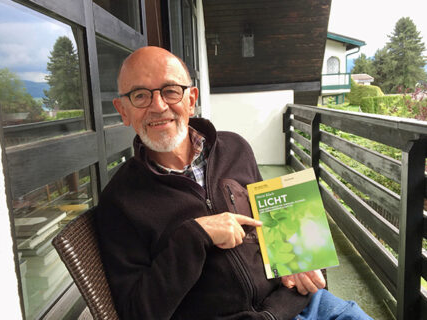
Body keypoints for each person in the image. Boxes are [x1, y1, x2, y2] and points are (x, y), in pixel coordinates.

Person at [95, 46, 373, 320]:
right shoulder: (119, 201)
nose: (158, 106)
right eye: (140, 95)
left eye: (170, 91)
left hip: (300, 304)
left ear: (191, 99)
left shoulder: (235, 147)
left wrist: (305, 262)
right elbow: (137, 312)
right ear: (123, 110)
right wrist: (194, 236)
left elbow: (275, 220)